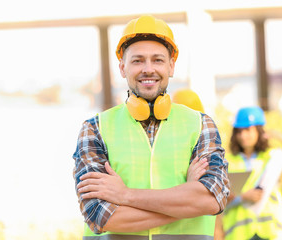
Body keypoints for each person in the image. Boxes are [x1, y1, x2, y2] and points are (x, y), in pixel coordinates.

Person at [73, 14, 229, 240]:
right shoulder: (95, 129)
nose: (148, 69)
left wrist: (125, 195)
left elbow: (212, 199)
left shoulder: (201, 125)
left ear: (171, 66)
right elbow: (100, 216)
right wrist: (185, 202)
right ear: (122, 68)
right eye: (137, 60)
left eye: (157, 60)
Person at [222, 106, 282, 240]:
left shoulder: (273, 157)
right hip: (239, 234)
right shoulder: (227, 162)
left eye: (247, 130)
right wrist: (242, 197)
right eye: (239, 131)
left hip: (271, 232)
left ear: (259, 130)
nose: (243, 136)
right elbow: (219, 201)